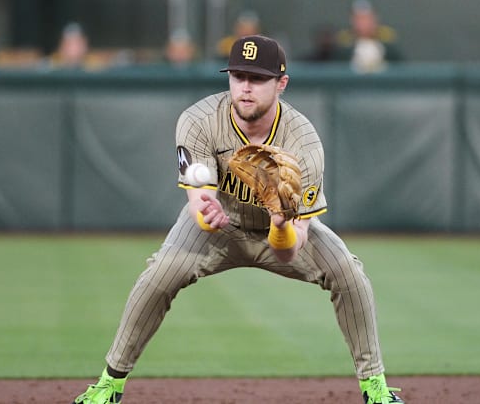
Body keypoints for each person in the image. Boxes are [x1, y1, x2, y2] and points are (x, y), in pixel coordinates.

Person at [70, 34, 404, 404]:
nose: (245, 87)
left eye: (258, 78)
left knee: (348, 273)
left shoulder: (304, 144)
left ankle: (374, 387)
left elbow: (290, 251)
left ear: (281, 84)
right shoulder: (199, 120)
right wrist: (205, 210)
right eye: (237, 76)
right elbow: (199, 195)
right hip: (219, 226)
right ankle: (109, 383)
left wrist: (279, 225)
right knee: (159, 274)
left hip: (279, 233)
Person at [334, 0, 401, 73]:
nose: (363, 23)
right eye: (359, 18)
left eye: (367, 18)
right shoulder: (345, 41)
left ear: (375, 18)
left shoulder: (386, 38)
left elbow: (400, 67)